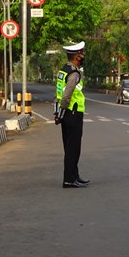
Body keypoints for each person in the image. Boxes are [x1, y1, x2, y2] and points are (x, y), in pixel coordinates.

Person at [55, 41, 89, 188]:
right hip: (72, 113)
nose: (83, 56)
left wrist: (58, 112)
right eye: (81, 54)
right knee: (73, 148)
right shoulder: (74, 73)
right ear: (76, 56)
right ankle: (69, 179)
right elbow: (67, 93)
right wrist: (62, 110)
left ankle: (74, 176)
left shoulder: (64, 70)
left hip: (66, 113)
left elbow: (59, 93)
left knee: (70, 147)